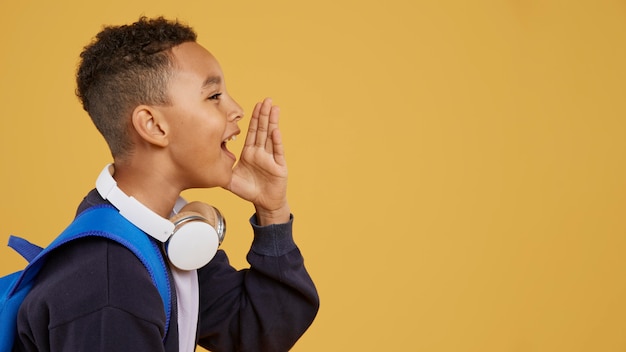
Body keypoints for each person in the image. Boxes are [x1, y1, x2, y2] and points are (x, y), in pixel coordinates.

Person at [13, 16, 319, 352]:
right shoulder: (111, 287)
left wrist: (271, 209)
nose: (237, 110)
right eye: (214, 95)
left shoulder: (166, 231)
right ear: (154, 126)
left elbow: (258, 331)